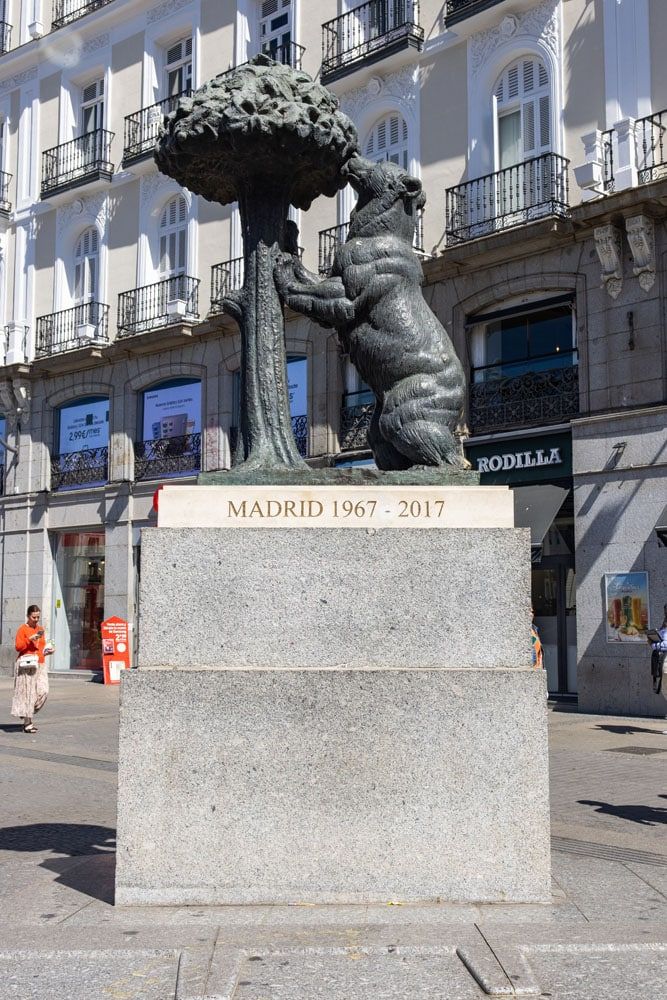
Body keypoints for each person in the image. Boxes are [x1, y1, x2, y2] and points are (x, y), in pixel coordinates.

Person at [11, 605, 53, 733]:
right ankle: (28, 723)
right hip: (26, 664)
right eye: (34, 617)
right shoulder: (22, 629)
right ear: (28, 616)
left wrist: (48, 650)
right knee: (28, 693)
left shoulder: (40, 629)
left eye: (38, 617)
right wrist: (30, 640)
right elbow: (18, 647)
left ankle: (25, 710)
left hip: (40, 663)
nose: (36, 619)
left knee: (43, 691)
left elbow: (42, 646)